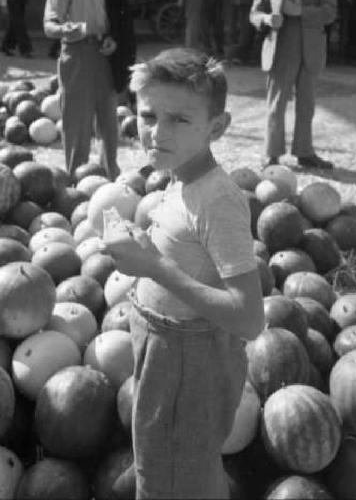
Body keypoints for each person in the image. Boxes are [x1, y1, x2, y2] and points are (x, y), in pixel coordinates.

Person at [102, 47, 264, 499]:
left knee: (170, 476)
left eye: (179, 120)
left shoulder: (217, 200)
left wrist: (153, 266)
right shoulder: (181, 174)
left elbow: (250, 319)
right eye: (148, 115)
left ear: (217, 127)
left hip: (188, 364)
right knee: (173, 466)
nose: (155, 133)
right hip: (164, 352)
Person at [43, 0, 136, 180]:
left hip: (106, 57)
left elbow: (121, 24)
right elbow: (49, 24)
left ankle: (109, 177)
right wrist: (64, 30)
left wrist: (114, 40)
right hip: (76, 56)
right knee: (77, 123)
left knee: (108, 122)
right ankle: (77, 180)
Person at [250, 0, 336, 169]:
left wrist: (299, 11)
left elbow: (330, 12)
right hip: (281, 47)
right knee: (276, 103)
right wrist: (267, 18)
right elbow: (254, 12)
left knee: (306, 104)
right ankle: (272, 153)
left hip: (311, 48)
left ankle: (304, 152)